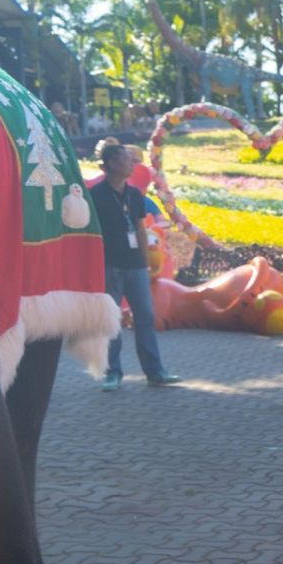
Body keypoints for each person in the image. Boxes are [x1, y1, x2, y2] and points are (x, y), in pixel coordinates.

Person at [92, 143, 182, 390]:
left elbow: (141, 229)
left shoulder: (134, 195)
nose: (132, 164)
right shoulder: (96, 195)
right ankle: (112, 373)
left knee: (145, 316)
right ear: (112, 163)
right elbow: (90, 234)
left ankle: (155, 371)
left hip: (136, 266)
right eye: (126, 159)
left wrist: (144, 262)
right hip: (110, 265)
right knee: (111, 320)